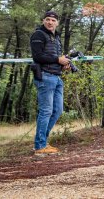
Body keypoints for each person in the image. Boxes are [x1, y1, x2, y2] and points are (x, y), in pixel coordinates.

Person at [30, 11, 71, 154]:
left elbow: (55, 56)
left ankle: (42, 141)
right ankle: (40, 146)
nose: (50, 22)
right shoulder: (38, 35)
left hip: (57, 77)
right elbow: (38, 56)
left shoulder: (56, 37)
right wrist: (57, 60)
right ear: (43, 21)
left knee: (57, 110)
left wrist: (63, 63)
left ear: (57, 23)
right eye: (47, 19)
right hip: (45, 77)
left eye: (53, 20)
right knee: (46, 111)